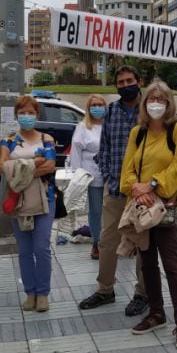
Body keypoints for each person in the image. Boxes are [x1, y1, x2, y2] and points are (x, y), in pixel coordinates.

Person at [120, 81, 177, 349]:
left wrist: (152, 185)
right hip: (141, 210)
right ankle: (156, 313)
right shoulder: (138, 133)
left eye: (161, 99)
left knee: (172, 265)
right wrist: (137, 189)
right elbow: (127, 170)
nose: (156, 103)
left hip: (164, 207)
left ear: (169, 103)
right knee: (147, 264)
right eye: (151, 98)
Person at [78, 65, 149, 316]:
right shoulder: (110, 112)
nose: (126, 85)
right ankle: (105, 290)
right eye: (121, 82)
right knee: (107, 242)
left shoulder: (150, 111)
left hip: (144, 194)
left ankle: (143, 294)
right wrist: (108, 177)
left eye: (130, 80)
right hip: (116, 190)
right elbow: (104, 149)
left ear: (139, 81)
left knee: (143, 245)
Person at [0, 95, 57, 312]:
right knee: (24, 249)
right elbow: (2, 166)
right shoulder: (9, 140)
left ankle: (43, 293)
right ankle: (30, 293)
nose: (26, 116)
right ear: (16, 115)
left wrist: (20, 167)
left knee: (41, 247)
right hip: (19, 200)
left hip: (45, 198)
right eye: (22, 112)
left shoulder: (47, 139)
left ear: (37, 114)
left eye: (30, 112)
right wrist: (34, 163)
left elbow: (50, 166)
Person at [71, 94, 108, 259]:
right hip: (91, 174)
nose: (97, 108)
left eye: (100, 104)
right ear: (89, 108)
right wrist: (77, 174)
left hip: (111, 173)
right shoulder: (83, 127)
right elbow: (76, 151)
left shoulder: (110, 125)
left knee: (113, 210)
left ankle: (115, 241)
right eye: (94, 105)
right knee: (95, 210)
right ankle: (96, 242)